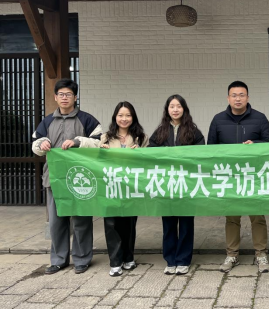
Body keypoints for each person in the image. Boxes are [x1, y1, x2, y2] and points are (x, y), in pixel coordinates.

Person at [31, 78, 102, 275]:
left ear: (75, 97)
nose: (64, 98)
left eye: (68, 94)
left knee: (81, 221)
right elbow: (35, 144)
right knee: (56, 222)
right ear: (55, 97)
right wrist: (42, 144)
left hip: (81, 179)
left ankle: (82, 259)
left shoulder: (87, 120)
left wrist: (78, 142)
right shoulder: (47, 121)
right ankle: (58, 260)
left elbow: (100, 143)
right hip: (55, 179)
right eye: (61, 94)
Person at [207, 80, 269, 273]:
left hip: (253, 175)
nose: (238, 98)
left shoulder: (259, 118)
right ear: (228, 98)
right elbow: (210, 148)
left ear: (248, 97)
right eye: (234, 95)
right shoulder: (218, 120)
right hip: (229, 176)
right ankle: (232, 254)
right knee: (231, 217)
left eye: (241, 95)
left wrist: (256, 144)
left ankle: (261, 254)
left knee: (257, 216)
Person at [80, 101, 148, 277]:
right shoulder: (106, 137)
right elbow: (95, 161)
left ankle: (129, 258)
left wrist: (140, 152)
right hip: (110, 186)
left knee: (129, 224)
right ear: (115, 117)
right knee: (111, 224)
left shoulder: (141, 137)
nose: (124, 119)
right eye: (120, 115)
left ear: (133, 117)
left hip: (131, 187)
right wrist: (101, 151)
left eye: (128, 115)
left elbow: (148, 161)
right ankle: (115, 261)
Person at [149, 94, 205, 276]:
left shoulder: (193, 131)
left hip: (187, 184)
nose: (175, 109)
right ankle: (170, 260)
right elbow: (150, 153)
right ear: (167, 110)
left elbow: (201, 154)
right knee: (168, 224)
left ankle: (183, 260)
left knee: (186, 224)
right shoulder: (159, 132)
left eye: (178, 106)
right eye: (172, 106)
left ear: (184, 109)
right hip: (167, 184)